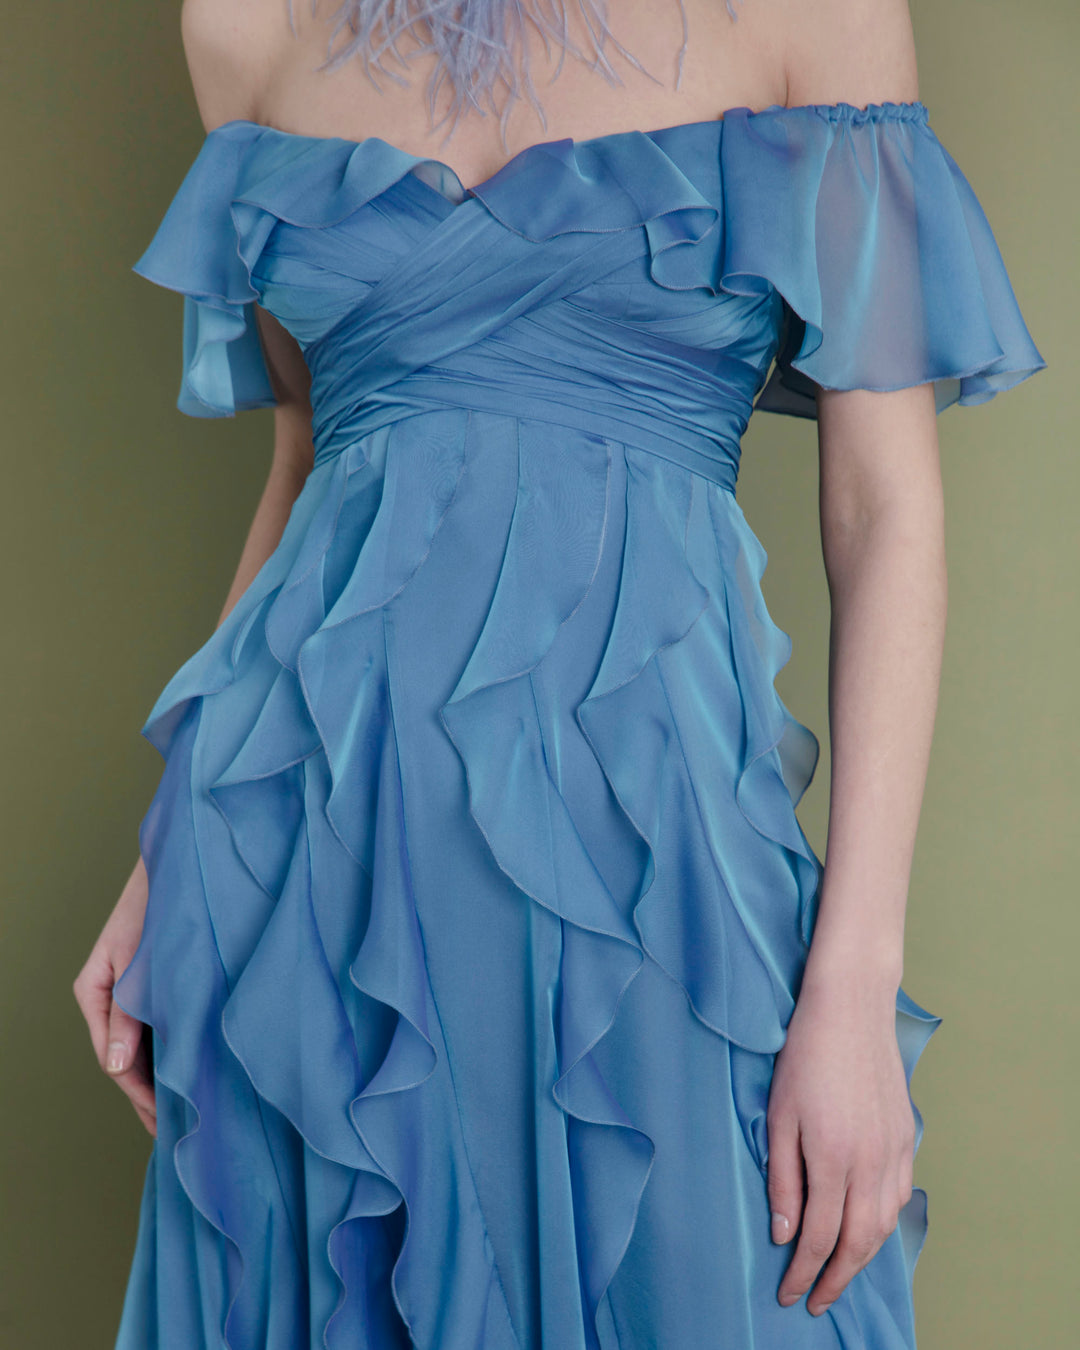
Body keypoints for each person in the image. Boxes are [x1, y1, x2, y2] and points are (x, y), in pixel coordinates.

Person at [72, 0, 1046, 1345]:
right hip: (305, 873)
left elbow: (885, 513)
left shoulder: (809, 12)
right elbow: (313, 471)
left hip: (653, 868)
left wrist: (853, 986)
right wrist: (166, 846)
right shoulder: (245, 24)